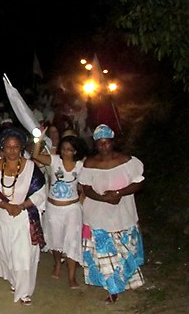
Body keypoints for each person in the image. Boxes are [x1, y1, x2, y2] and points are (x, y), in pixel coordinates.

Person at [78, 124, 145, 303]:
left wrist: (118, 194)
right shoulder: (90, 163)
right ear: (95, 144)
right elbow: (86, 188)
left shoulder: (126, 161)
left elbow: (139, 182)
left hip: (123, 215)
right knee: (105, 255)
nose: (104, 147)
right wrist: (104, 198)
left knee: (123, 253)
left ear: (113, 142)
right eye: (100, 143)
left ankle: (125, 281)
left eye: (107, 143)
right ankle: (112, 289)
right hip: (98, 216)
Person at [0, 127, 47, 306]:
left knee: (24, 257)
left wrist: (21, 206)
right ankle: (14, 281)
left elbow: (41, 192)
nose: (12, 151)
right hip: (2, 220)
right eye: (8, 147)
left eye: (16, 147)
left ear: (21, 148)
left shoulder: (31, 168)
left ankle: (25, 292)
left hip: (24, 220)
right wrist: (6, 206)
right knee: (7, 255)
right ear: (2, 147)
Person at [32, 131, 88, 289]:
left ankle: (71, 276)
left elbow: (84, 186)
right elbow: (35, 155)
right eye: (63, 148)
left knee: (72, 241)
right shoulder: (54, 160)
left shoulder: (81, 165)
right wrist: (39, 139)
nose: (65, 152)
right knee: (55, 241)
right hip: (53, 209)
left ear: (75, 151)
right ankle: (57, 263)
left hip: (72, 209)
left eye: (69, 149)